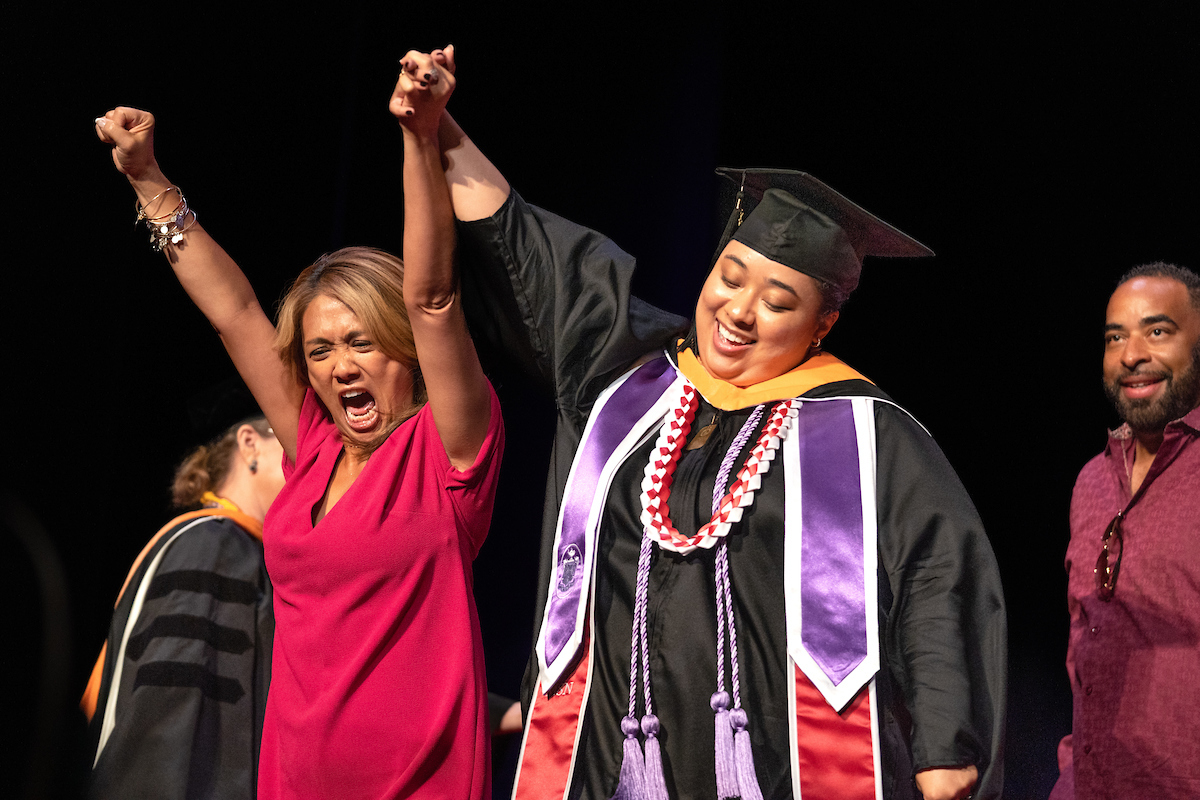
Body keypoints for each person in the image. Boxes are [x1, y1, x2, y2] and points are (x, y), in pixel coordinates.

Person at [409, 47, 1006, 800]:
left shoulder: (867, 434)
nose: (740, 310)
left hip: (777, 765)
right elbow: (527, 245)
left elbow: (937, 576)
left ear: (823, 324)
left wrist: (945, 744)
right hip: (606, 750)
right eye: (730, 276)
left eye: (780, 302)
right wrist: (438, 129)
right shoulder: (627, 372)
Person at [93, 53, 503, 800]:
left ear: (404, 351)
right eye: (320, 350)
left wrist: (420, 135)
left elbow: (434, 297)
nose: (341, 365)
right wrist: (148, 180)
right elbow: (236, 312)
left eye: (361, 342)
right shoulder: (313, 446)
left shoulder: (446, 451)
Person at [1050, 263, 1200, 800]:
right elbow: (1082, 653)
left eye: (1157, 331)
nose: (1131, 354)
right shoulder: (1092, 480)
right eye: (1116, 337)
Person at [81, 414, 284, 799]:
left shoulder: (234, 548)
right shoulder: (214, 544)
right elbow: (174, 710)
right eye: (292, 443)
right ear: (250, 443)